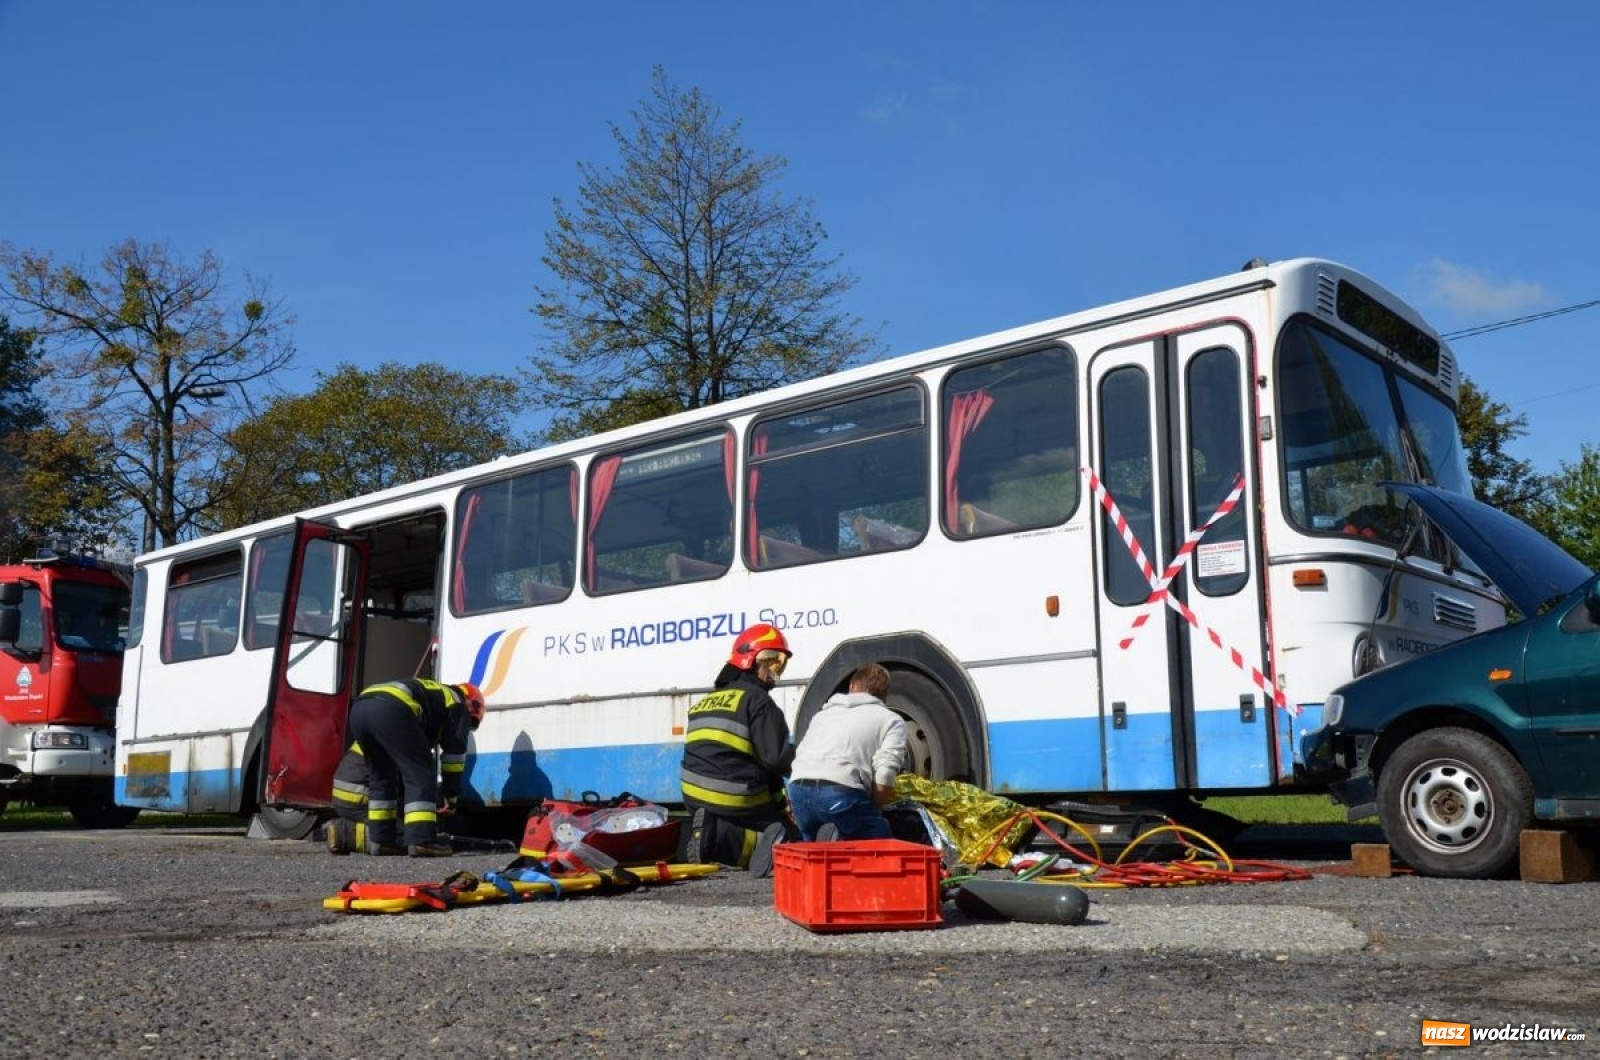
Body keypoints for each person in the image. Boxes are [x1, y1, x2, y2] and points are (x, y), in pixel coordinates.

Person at [680, 623, 795, 876]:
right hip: (733, 798)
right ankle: (717, 837)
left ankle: (711, 832)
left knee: (767, 812)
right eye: (772, 661)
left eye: (781, 664)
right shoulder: (759, 701)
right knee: (788, 837)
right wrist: (807, 760)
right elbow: (776, 760)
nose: (775, 672)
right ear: (751, 661)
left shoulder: (705, 701)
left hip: (692, 798)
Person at [336, 677, 486, 857]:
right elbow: (453, 758)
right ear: (471, 703)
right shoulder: (458, 704)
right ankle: (422, 841)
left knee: (381, 776)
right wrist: (450, 796)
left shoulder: (435, 694)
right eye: (471, 723)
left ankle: (383, 841)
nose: (467, 727)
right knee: (420, 773)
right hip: (391, 708)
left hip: (360, 708)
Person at [787, 663, 908, 842]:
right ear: (884, 693)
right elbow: (884, 775)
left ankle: (828, 842)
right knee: (882, 847)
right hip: (841, 794)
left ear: (852, 686)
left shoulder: (822, 715)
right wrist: (874, 808)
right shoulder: (892, 720)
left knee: (811, 854)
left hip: (798, 791)